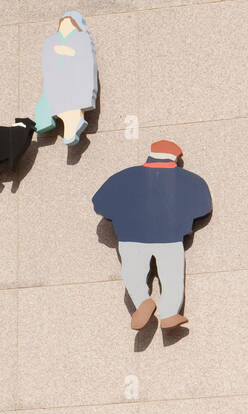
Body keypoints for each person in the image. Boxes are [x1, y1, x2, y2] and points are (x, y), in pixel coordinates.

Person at [92, 140, 212, 331]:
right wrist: (183, 221)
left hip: (131, 236)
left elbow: (100, 203)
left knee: (132, 273)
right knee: (172, 276)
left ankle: (142, 303)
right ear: (175, 158)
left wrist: (121, 217)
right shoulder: (189, 179)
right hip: (170, 237)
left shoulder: (123, 177)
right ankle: (169, 313)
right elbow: (203, 206)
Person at [35, 11, 98, 146]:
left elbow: (87, 61)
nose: (64, 27)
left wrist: (71, 53)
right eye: (62, 24)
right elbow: (47, 65)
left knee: (72, 108)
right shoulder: (51, 41)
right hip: (56, 82)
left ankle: (73, 126)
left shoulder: (82, 38)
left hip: (74, 81)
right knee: (62, 108)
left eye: (69, 23)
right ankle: (69, 126)